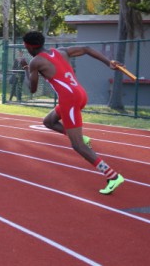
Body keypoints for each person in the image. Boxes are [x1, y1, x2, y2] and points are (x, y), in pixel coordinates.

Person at [21, 31, 124, 194]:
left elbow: (32, 89)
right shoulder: (61, 51)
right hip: (80, 93)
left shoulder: (36, 62)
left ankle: (112, 175)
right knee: (49, 122)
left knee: (78, 146)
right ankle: (81, 137)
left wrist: (26, 69)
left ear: (28, 47)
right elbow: (87, 48)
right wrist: (108, 63)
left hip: (69, 100)